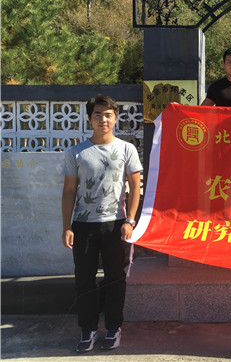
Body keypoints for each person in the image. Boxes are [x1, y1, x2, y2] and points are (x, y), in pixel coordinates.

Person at [62, 94, 142, 352]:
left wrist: (130, 220)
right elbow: (69, 191)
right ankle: (88, 330)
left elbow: (135, 187)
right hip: (83, 224)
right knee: (83, 278)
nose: (103, 119)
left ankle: (114, 327)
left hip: (115, 224)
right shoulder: (76, 152)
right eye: (97, 115)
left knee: (115, 277)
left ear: (115, 118)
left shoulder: (127, 149)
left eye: (108, 115)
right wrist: (67, 226)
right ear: (89, 119)